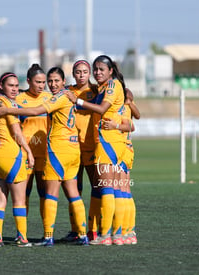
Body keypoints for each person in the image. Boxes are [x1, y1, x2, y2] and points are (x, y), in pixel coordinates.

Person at [0, 67, 89, 247]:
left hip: (57, 149)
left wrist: (8, 111)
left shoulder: (56, 97)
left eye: (55, 81)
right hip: (68, 148)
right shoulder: (67, 94)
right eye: (49, 81)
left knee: (49, 194)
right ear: (29, 81)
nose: (50, 84)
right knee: (72, 193)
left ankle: (47, 236)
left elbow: (34, 111)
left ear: (63, 81)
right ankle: (82, 234)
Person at [65, 55, 127, 246]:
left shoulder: (109, 86)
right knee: (111, 190)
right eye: (96, 69)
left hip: (106, 143)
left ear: (110, 71)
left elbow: (102, 109)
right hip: (101, 142)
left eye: (101, 69)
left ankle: (107, 235)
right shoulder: (103, 87)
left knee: (107, 189)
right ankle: (114, 234)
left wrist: (78, 101)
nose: (98, 73)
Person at [0, 72, 35, 247]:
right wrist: (29, 152)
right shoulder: (8, 104)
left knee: (0, 199)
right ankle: (22, 238)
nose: (15, 89)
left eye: (16, 86)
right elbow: (17, 133)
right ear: (1, 86)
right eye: (11, 85)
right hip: (10, 155)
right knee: (19, 200)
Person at [61, 59, 99, 242]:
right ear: (73, 73)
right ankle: (76, 229)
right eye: (78, 71)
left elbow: (125, 92)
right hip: (72, 147)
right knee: (75, 190)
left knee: (96, 188)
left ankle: (94, 228)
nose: (81, 74)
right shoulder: (67, 91)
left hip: (91, 145)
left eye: (85, 71)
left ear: (89, 72)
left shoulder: (96, 90)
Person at [102, 87, 140, 245]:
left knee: (117, 190)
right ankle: (128, 232)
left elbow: (132, 125)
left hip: (120, 148)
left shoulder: (118, 102)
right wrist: (130, 102)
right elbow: (138, 115)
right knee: (125, 190)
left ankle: (120, 233)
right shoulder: (126, 97)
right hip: (128, 148)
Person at [15, 64, 51, 220]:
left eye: (43, 82)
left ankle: (46, 233)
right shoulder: (18, 99)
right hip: (25, 153)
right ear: (28, 81)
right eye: (38, 82)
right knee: (24, 193)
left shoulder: (50, 98)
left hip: (44, 153)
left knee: (45, 193)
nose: (41, 85)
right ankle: (21, 234)